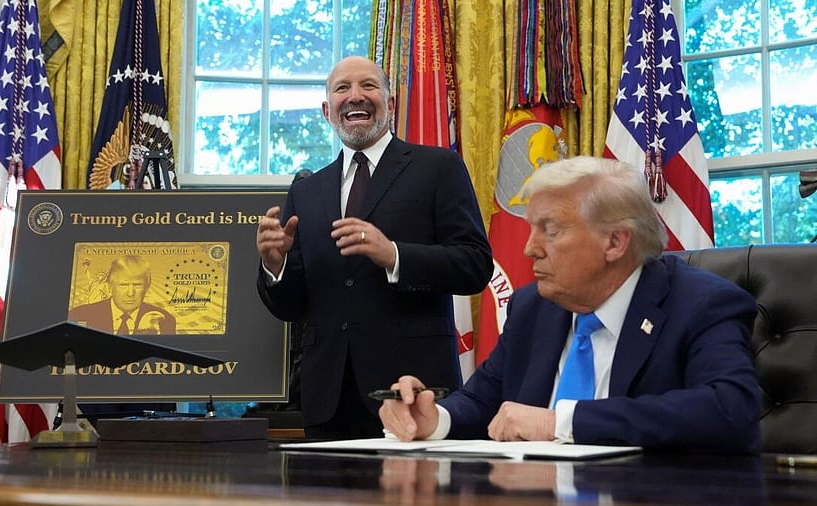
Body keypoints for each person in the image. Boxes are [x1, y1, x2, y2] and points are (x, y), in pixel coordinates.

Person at [379, 155, 762, 452]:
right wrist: (434, 419)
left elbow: (729, 409)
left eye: (550, 230)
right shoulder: (533, 307)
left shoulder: (702, 304)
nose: (529, 249)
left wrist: (563, 422)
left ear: (615, 242)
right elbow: (483, 401)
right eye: (531, 229)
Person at [256, 56, 493, 439]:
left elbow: (475, 265)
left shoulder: (438, 168)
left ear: (391, 102)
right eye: (342, 89)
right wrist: (275, 266)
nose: (355, 97)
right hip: (328, 400)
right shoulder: (306, 190)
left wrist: (395, 255)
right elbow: (290, 307)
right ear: (326, 110)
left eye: (368, 86)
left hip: (414, 393)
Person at [69, 255, 176, 336]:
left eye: (137, 285)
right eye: (123, 285)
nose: (130, 293)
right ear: (110, 286)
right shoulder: (80, 315)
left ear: (147, 288)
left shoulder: (165, 319)